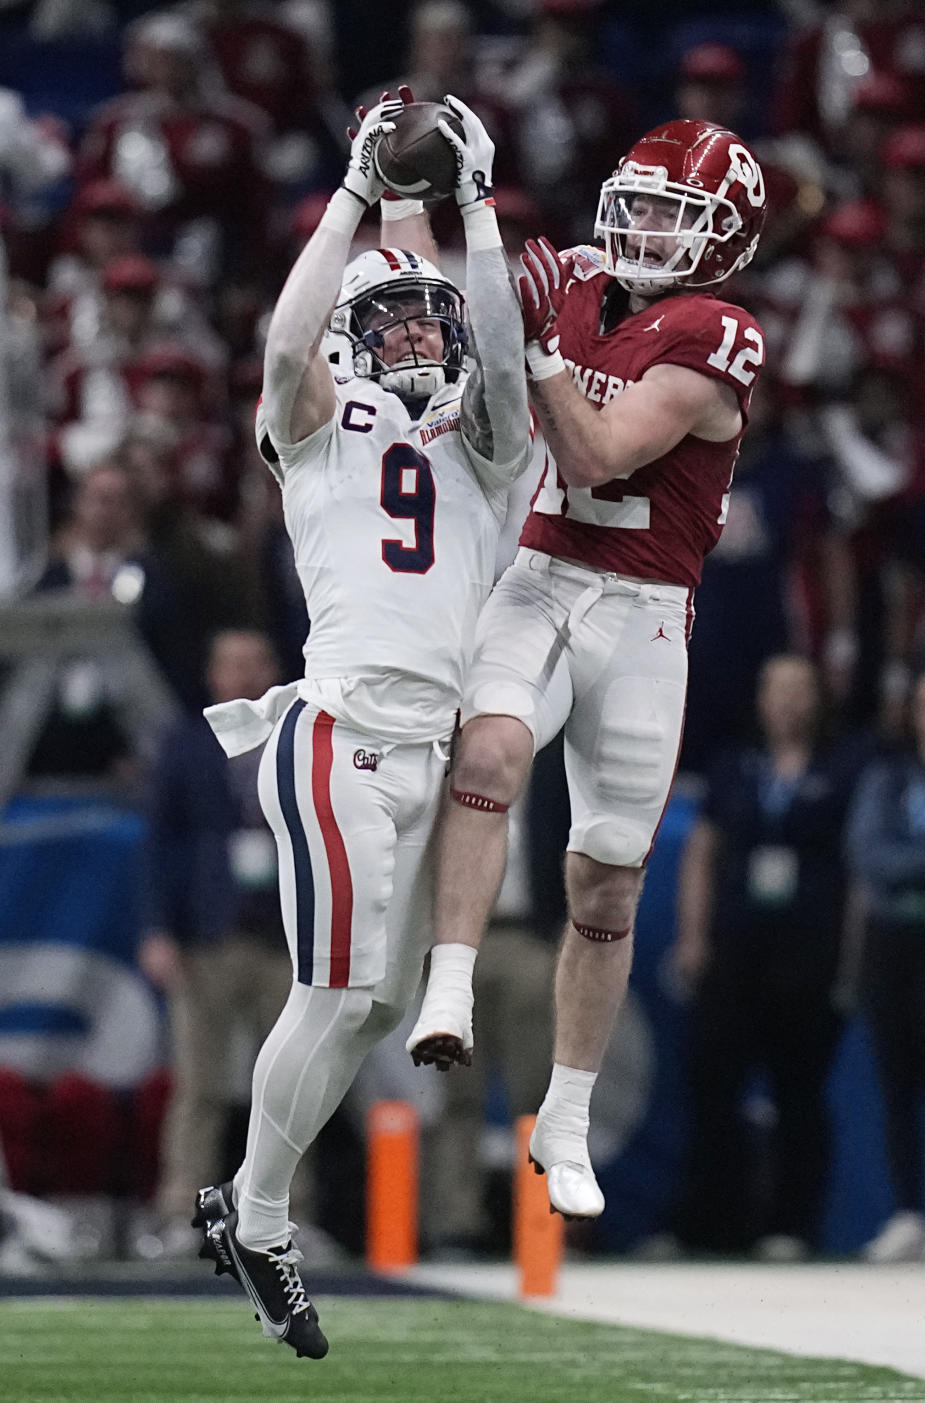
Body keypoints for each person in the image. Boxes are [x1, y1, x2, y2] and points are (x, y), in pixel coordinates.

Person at [191, 91, 530, 1358]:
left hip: (426, 747)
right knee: (335, 993)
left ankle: (250, 1203)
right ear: (350, 333)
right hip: (336, 728)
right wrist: (352, 199)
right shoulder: (321, 426)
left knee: (375, 1006)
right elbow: (283, 359)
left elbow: (499, 362)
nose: (412, 328)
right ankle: (262, 1212)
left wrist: (474, 216)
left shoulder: (483, 442)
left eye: (422, 309)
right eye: (382, 312)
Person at [407, 117, 768, 1222]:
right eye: (642, 201)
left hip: (648, 611)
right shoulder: (576, 285)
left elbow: (602, 450)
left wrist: (545, 351)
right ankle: (451, 983)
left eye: (673, 211)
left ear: (721, 240)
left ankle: (564, 1114)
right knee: (492, 744)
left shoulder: (717, 331)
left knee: (607, 874)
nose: (644, 224)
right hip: (543, 574)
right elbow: (487, 409)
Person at [138, 630, 328, 1260]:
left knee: (297, 1086)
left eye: (255, 665)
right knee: (200, 1084)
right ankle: (178, 1215)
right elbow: (160, 841)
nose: (244, 677)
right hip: (210, 937)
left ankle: (291, 1216)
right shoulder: (187, 743)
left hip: (288, 938)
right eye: (231, 666)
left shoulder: (303, 737)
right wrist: (159, 929)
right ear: (212, 675)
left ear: (276, 671)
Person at [668, 655, 858, 1260]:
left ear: (816, 699)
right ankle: (708, 1222)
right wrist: (694, 937)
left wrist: (847, 960)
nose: (787, 703)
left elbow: (855, 869)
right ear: (760, 699)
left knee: (798, 1089)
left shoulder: (843, 768)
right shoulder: (735, 765)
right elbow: (701, 851)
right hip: (736, 947)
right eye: (775, 690)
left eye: (799, 690)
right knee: (713, 1086)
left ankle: (791, 1224)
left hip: (806, 949)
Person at [847, 666, 925, 1263]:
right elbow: (871, 858)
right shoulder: (888, 780)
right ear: (915, 715)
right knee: (896, 1080)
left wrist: (914, 864)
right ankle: (908, 1211)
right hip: (893, 944)